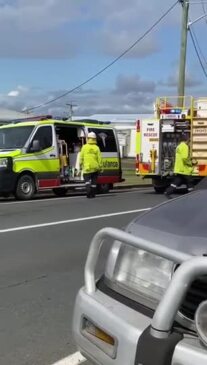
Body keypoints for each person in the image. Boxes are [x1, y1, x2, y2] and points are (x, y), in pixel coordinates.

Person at [165, 133, 197, 199]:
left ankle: (168, 192)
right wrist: (191, 163)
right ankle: (192, 196)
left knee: (176, 182)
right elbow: (184, 158)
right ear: (187, 139)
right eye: (189, 140)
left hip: (178, 168)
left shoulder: (179, 146)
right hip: (184, 169)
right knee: (190, 182)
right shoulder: (185, 146)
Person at [80, 132, 102, 198]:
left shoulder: (84, 147)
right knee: (94, 182)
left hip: (87, 168)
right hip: (95, 167)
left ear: (88, 138)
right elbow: (99, 158)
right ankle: (93, 194)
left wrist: (80, 165)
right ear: (95, 139)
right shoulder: (97, 148)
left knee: (87, 181)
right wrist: (101, 167)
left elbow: (81, 157)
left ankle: (88, 192)